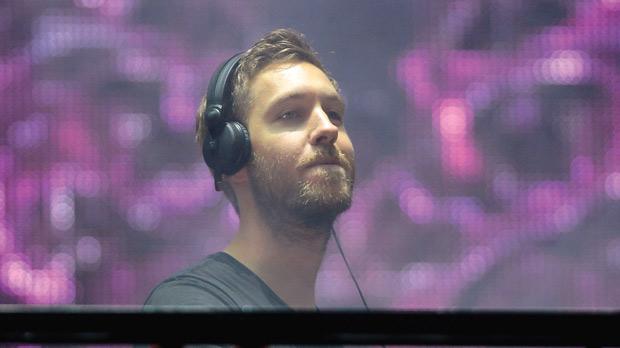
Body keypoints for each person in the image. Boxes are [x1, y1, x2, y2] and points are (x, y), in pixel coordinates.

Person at [144, 28, 355, 310]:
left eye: (334, 114)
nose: (328, 128)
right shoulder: (191, 307)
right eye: (290, 114)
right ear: (234, 155)